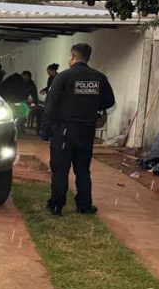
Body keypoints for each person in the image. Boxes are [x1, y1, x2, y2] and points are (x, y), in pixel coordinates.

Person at [41, 43, 115, 216]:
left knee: (60, 169)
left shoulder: (63, 77)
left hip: (65, 130)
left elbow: (50, 106)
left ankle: (57, 205)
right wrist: (93, 110)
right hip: (87, 130)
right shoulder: (100, 78)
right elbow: (109, 102)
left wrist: (46, 131)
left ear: (72, 56)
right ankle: (84, 206)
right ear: (88, 57)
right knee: (82, 169)